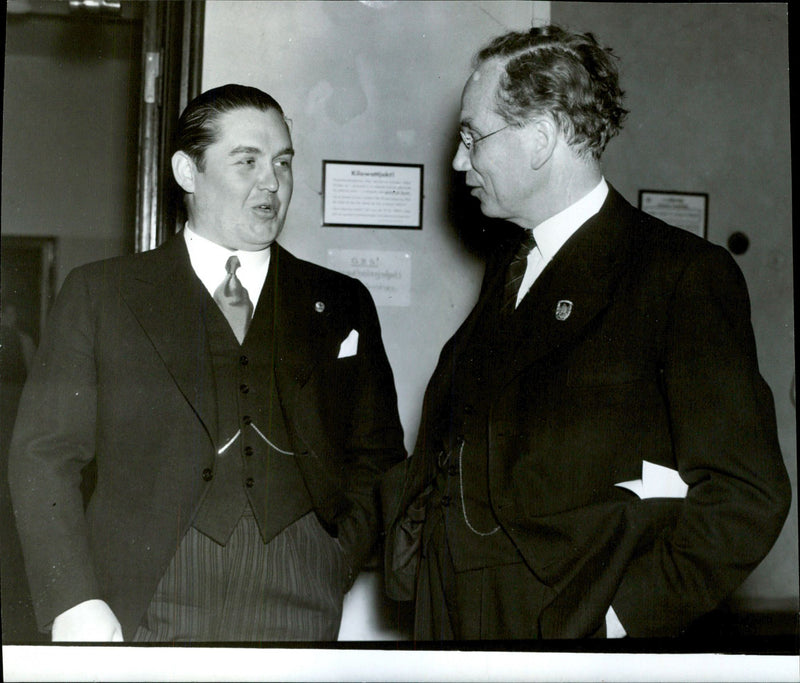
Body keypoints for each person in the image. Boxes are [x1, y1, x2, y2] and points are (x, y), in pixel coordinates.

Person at [383, 26, 791, 640]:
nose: (458, 160)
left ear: (542, 139)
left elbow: (746, 495)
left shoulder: (677, 274)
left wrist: (621, 617)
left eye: (473, 136)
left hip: (566, 625)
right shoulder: (512, 264)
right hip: (454, 615)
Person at [9, 84, 405, 642]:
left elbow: (379, 454)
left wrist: (334, 557)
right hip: (146, 592)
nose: (272, 181)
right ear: (187, 172)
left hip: (302, 591)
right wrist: (73, 598)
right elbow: (43, 457)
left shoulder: (341, 300)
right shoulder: (103, 294)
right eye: (247, 162)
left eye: (283, 162)